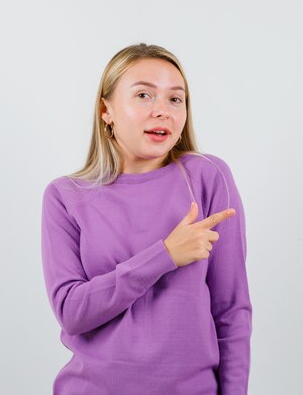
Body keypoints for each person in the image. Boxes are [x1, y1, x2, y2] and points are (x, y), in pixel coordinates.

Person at [40, 43, 252, 395]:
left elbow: (232, 311)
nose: (162, 112)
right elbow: (71, 312)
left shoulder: (207, 176)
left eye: (175, 99)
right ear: (105, 109)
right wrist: (164, 255)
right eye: (144, 95)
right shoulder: (65, 195)